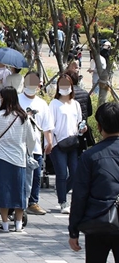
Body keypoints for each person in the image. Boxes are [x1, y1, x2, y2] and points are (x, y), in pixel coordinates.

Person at [69, 102, 119, 260]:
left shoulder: (90, 156)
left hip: (98, 221)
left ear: (98, 126)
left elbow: (79, 195)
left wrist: (73, 230)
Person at [0, 86, 37, 232]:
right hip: (19, 159)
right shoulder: (24, 117)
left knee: (3, 191)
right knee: (18, 191)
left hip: (0, 158)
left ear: (4, 98)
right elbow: (31, 139)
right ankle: (19, 224)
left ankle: (5, 224)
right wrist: (28, 152)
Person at [49, 74, 86, 214]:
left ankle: (61, 190)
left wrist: (82, 128)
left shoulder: (75, 104)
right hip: (58, 144)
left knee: (76, 172)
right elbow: (50, 125)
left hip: (72, 142)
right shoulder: (54, 104)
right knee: (61, 173)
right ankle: (63, 202)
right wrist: (49, 143)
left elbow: (79, 122)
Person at [18, 71, 53, 216]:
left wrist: (49, 141)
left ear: (39, 84)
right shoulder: (16, 99)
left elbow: (47, 126)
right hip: (18, 145)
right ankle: (19, 202)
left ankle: (33, 202)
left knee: (36, 176)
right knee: (19, 175)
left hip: (36, 146)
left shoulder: (42, 104)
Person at [67, 69, 95, 153]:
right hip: (83, 129)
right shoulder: (85, 93)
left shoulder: (64, 96)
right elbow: (89, 112)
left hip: (69, 130)